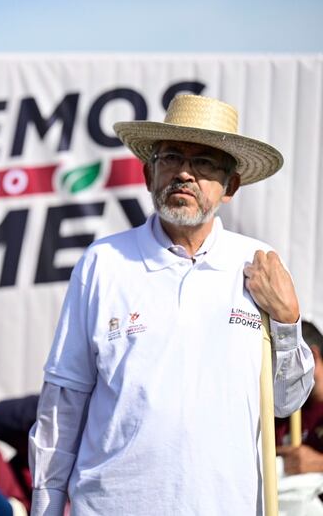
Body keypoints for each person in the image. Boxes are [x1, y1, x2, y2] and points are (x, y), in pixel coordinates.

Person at [28, 94, 314, 515]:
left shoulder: (257, 263)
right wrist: (45, 506)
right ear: (148, 174)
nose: (184, 173)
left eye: (204, 163)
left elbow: (287, 402)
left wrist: (289, 322)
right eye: (171, 158)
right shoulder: (103, 263)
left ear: (230, 186)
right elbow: (63, 403)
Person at [277, 320, 323, 475]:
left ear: (314, 357)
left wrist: (318, 463)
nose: (278, 374)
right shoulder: (281, 411)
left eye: (284, 364)